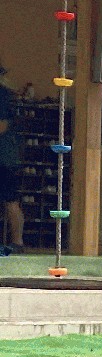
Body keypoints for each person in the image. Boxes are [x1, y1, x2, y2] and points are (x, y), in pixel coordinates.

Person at [0, 61, 24, 255]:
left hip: (4, 157)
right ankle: (17, 242)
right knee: (11, 200)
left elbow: (2, 126)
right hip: (7, 156)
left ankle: (17, 241)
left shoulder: (1, 94)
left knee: (10, 200)